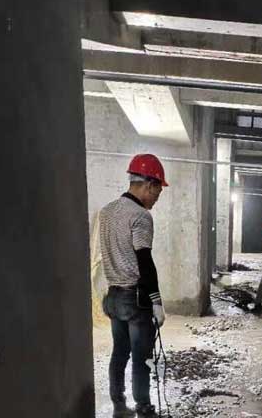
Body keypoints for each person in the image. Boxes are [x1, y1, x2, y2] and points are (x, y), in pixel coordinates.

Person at [100, 154, 168, 418]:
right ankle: (144, 408)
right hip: (135, 298)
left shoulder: (107, 212)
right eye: (157, 192)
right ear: (149, 185)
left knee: (119, 353)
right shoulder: (140, 216)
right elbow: (144, 261)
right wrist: (156, 301)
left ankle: (118, 404)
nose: (156, 199)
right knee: (142, 358)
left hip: (113, 296)